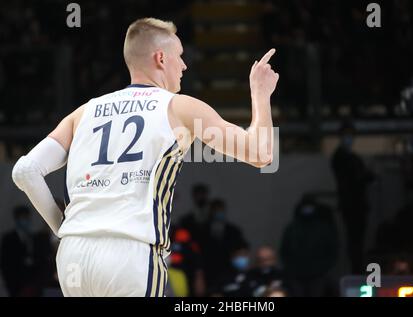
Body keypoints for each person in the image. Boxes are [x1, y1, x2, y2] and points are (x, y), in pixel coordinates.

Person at [11, 17, 278, 297]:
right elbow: (260, 153)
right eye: (180, 56)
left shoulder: (84, 112)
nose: (185, 65)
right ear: (161, 58)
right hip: (130, 253)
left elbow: (25, 171)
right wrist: (261, 94)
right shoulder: (178, 107)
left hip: (73, 257)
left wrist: (63, 228)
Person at [331, 120, 374, 274]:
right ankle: (357, 270)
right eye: (346, 135)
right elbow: (352, 178)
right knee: (354, 240)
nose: (349, 138)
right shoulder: (340, 157)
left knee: (359, 240)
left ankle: (359, 268)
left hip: (358, 204)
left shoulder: (352, 157)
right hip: (351, 205)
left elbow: (361, 176)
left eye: (351, 135)